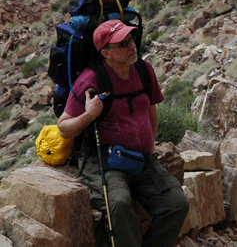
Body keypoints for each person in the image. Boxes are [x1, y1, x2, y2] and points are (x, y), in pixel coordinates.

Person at [57, 19, 189, 247]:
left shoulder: (144, 70)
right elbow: (64, 128)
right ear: (106, 53)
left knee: (176, 203)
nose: (131, 46)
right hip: (105, 160)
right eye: (123, 43)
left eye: (131, 39)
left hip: (141, 157)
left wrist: (150, 145)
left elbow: (151, 109)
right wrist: (89, 115)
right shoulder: (91, 79)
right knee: (117, 203)